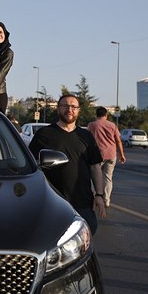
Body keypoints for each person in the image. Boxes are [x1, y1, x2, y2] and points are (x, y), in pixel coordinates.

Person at [28, 94, 106, 234]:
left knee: (85, 239)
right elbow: (31, 165)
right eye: (65, 106)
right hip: (52, 202)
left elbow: (95, 166)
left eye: (73, 106)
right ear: (58, 109)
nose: (69, 109)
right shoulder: (44, 134)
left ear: (78, 110)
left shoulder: (86, 136)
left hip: (82, 202)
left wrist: (99, 195)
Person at [87, 106, 126, 207]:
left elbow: (87, 140)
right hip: (111, 154)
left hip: (97, 155)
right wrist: (121, 154)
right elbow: (118, 140)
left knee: (94, 177)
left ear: (96, 115)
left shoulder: (91, 125)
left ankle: (95, 197)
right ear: (106, 115)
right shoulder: (112, 125)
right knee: (108, 178)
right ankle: (106, 200)